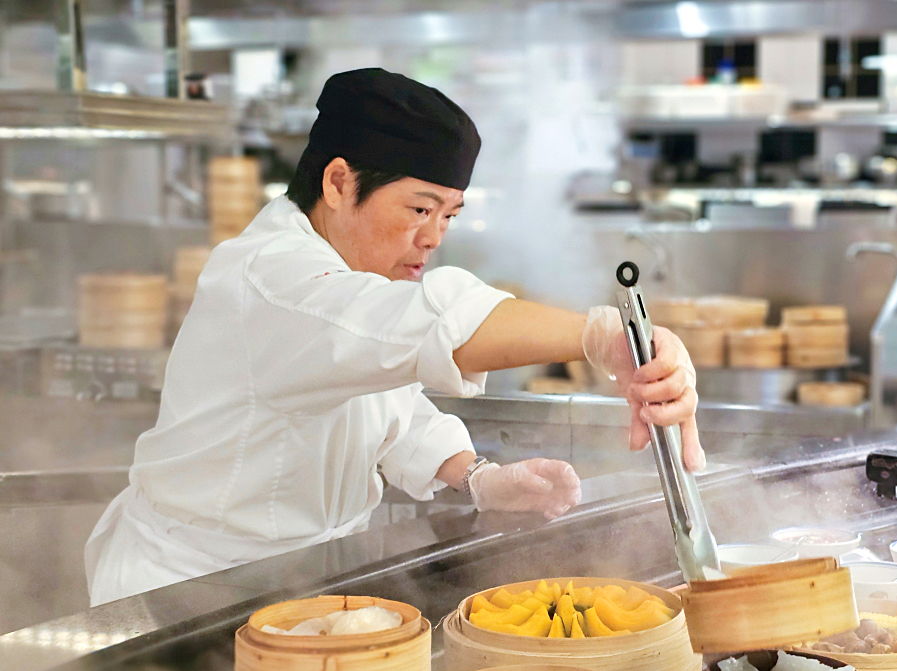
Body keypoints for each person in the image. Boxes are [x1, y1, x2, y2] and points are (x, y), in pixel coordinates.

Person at [85, 68, 703, 606]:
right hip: (187, 591)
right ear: (337, 183)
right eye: (418, 209)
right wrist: (601, 335)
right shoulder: (272, 279)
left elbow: (387, 409)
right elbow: (432, 323)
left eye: (449, 216)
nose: (435, 237)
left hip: (296, 586)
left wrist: (479, 476)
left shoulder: (351, 281)